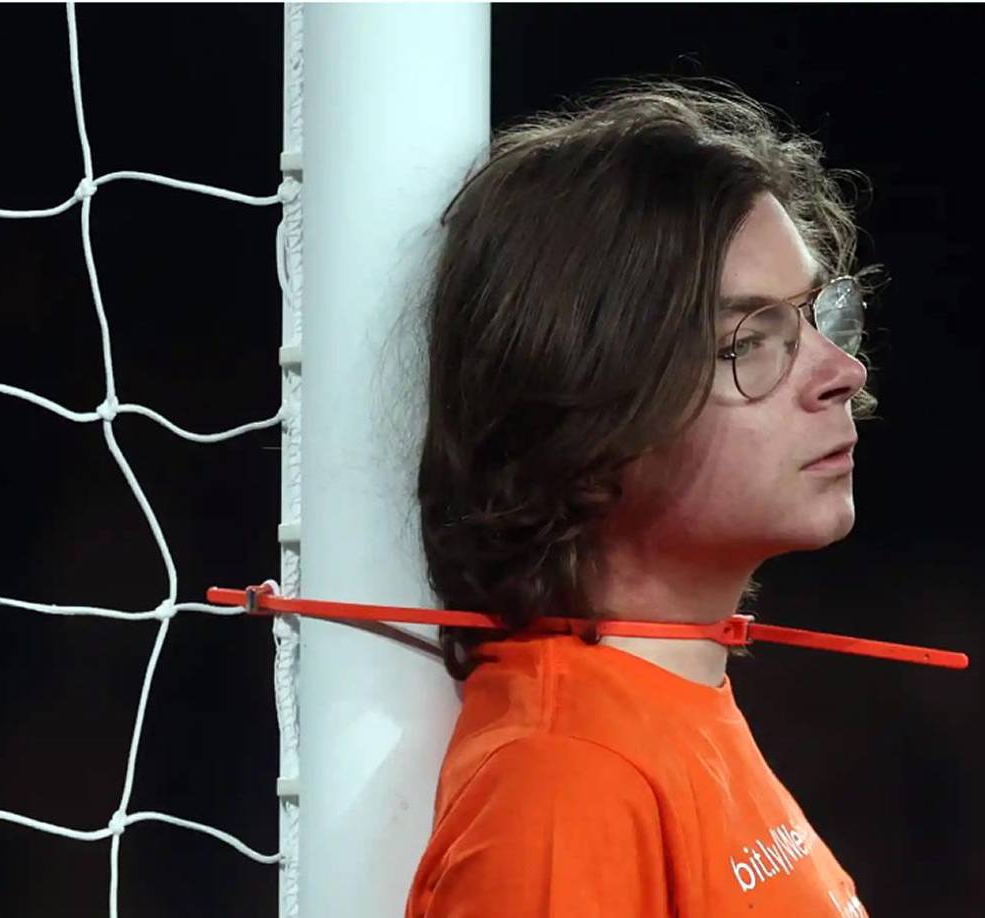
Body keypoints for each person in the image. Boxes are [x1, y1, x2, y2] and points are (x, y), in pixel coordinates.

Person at [403, 77, 879, 916]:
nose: (841, 373)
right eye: (748, 342)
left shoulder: (666, 704)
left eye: (813, 319)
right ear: (584, 414)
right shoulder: (563, 784)